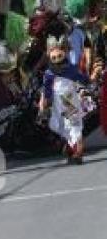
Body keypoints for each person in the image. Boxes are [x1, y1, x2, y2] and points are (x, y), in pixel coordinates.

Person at [39, 35, 92, 164]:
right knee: (57, 124)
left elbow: (82, 78)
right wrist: (45, 102)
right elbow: (47, 89)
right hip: (57, 102)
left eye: (60, 54)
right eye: (54, 56)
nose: (57, 58)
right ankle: (71, 145)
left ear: (65, 52)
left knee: (73, 123)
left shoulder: (70, 68)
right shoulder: (49, 73)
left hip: (68, 99)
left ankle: (77, 150)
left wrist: (88, 82)